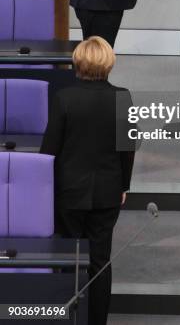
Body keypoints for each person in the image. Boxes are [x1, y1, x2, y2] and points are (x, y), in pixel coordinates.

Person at [40, 36, 135, 325]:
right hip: (107, 192)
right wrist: (123, 186)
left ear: (77, 63)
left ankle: (68, 318)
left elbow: (49, 152)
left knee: (69, 258)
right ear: (108, 63)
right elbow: (127, 148)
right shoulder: (123, 97)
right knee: (100, 261)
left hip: (69, 192)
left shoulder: (64, 99)